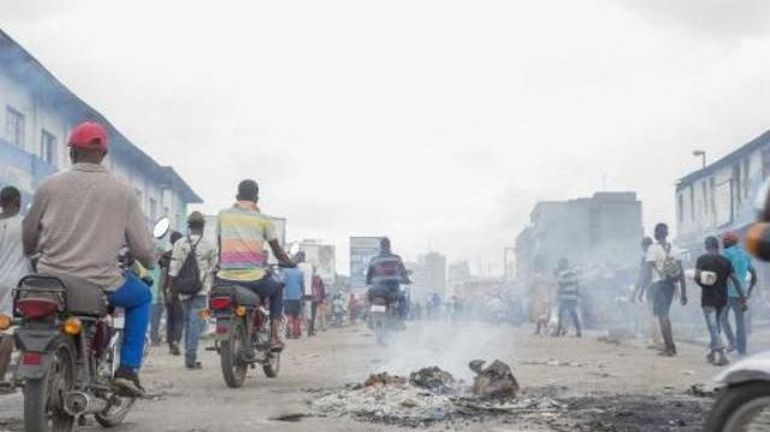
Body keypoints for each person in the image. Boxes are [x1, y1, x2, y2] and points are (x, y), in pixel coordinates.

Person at [22, 121, 156, 396]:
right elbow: (142, 249)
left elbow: (29, 234)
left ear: (71, 153)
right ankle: (128, 370)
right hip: (100, 281)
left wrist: (31, 250)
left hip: (49, 280)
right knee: (142, 296)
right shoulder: (123, 192)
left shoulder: (49, 185)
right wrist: (151, 261)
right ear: (104, 155)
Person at [216, 179, 294, 351]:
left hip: (224, 278)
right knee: (277, 289)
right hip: (253, 279)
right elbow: (277, 251)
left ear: (237, 196)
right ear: (257, 198)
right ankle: (273, 337)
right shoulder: (263, 220)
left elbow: (220, 246)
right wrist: (289, 262)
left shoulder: (223, 215)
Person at [168, 211, 217, 368]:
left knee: (190, 320)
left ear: (188, 226)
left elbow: (173, 269)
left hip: (183, 290)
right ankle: (190, 356)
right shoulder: (209, 245)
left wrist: (171, 290)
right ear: (202, 226)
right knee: (199, 320)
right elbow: (214, 268)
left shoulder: (179, 244)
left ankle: (189, 355)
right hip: (201, 290)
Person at [694, 236, 745, 366]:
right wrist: (743, 297)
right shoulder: (726, 262)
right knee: (716, 326)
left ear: (706, 246)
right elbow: (735, 280)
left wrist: (704, 284)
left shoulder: (702, 260)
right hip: (723, 299)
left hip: (708, 298)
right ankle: (712, 353)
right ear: (718, 246)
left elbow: (697, 277)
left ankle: (721, 354)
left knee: (713, 327)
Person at [639, 223, 687, 357]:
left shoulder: (653, 249)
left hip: (658, 285)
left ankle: (670, 347)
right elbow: (681, 273)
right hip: (671, 286)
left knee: (662, 316)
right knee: (665, 314)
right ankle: (670, 345)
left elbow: (647, 272)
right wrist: (683, 292)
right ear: (666, 233)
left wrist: (642, 290)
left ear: (656, 234)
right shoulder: (674, 249)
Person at [0, 186, 31, 384]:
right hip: (16, 282)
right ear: (18, 203)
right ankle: (1, 377)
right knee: (8, 329)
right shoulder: (24, 225)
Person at [721, 232, 757, 356]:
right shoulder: (745, 254)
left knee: (722, 318)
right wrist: (749, 291)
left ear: (731, 242)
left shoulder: (726, 253)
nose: (723, 243)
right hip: (741, 293)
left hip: (727, 292)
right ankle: (742, 350)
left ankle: (732, 342)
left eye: (725, 240)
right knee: (740, 322)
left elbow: (723, 273)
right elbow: (754, 275)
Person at [633, 237, 662, 349]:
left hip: (652, 286)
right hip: (661, 286)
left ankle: (655, 340)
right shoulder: (659, 253)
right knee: (660, 314)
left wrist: (639, 291)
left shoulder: (646, 257)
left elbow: (644, 275)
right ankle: (659, 339)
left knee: (652, 313)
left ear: (644, 246)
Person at [160, 231, 185, 355]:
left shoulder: (166, 256)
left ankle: (171, 345)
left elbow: (163, 275)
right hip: (181, 290)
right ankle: (176, 341)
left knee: (170, 318)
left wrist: (162, 291)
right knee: (179, 319)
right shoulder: (184, 256)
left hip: (168, 291)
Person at [366, 237, 411, 304]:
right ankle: (401, 314)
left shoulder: (374, 260)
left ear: (380, 246)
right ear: (389, 246)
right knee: (402, 300)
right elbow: (403, 273)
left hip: (377, 290)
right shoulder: (396, 258)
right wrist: (407, 280)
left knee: (369, 300)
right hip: (393, 289)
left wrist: (369, 281)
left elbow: (369, 275)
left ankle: (368, 312)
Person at [554, 258, 581, 337]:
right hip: (572, 297)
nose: (559, 265)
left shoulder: (562, 274)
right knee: (573, 314)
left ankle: (558, 332)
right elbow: (577, 286)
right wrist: (577, 296)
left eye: (561, 263)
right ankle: (578, 331)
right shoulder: (574, 273)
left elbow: (560, 286)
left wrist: (557, 296)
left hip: (565, 297)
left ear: (565, 264)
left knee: (560, 314)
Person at [282, 262, 305, 339]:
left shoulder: (285, 272)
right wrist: (303, 296)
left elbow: (283, 284)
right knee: (296, 316)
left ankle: (289, 333)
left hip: (287, 297)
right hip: (297, 297)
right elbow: (302, 286)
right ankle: (295, 334)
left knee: (289, 316)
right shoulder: (300, 272)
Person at [309, 271, 326, 336]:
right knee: (320, 314)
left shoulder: (313, 282)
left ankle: (318, 327)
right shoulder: (320, 283)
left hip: (316, 300)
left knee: (317, 315)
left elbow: (322, 292)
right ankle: (321, 327)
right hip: (318, 300)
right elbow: (323, 292)